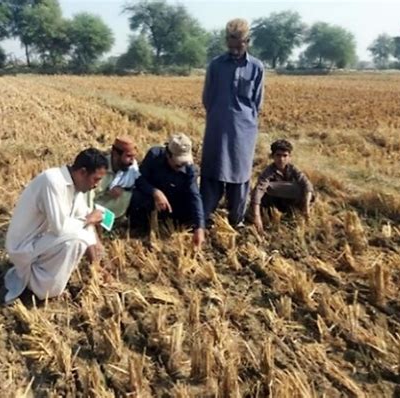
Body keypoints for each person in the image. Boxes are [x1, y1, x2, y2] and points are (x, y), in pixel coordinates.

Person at [4, 148, 108, 303]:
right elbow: (60, 227)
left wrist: (97, 266)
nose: (97, 186)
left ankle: (39, 277)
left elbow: (82, 218)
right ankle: (39, 286)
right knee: (78, 239)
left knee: (83, 234)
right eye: (96, 179)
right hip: (23, 246)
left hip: (40, 241)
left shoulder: (76, 187)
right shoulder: (52, 181)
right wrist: (90, 220)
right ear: (83, 172)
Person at [200, 18, 264, 227]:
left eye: (239, 45)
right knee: (213, 169)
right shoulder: (216, 65)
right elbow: (207, 98)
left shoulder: (256, 67)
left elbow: (257, 101)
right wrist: (220, 114)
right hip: (217, 126)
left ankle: (236, 219)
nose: (235, 50)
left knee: (240, 173)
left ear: (248, 41)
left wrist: (242, 117)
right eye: (231, 45)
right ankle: (206, 215)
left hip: (244, 130)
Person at [127, 134, 205, 248]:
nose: (182, 166)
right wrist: (155, 192)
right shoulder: (154, 156)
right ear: (168, 155)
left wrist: (200, 227)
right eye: (178, 164)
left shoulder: (190, 169)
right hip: (151, 200)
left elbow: (195, 196)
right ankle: (141, 225)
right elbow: (139, 180)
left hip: (174, 204)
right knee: (135, 196)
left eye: (184, 162)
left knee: (195, 208)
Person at [249, 139, 315, 233]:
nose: (281, 159)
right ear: (273, 156)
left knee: (304, 190)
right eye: (278, 155)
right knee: (265, 189)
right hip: (274, 204)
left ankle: (294, 212)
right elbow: (259, 190)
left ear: (290, 157)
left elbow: (307, 185)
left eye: (285, 156)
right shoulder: (268, 172)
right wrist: (257, 216)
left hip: (289, 203)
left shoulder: (293, 169)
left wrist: (306, 209)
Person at [89, 136, 140, 218]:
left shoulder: (132, 168)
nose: (132, 161)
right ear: (116, 154)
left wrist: (123, 188)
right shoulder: (98, 170)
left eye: (133, 156)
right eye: (128, 156)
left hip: (114, 216)